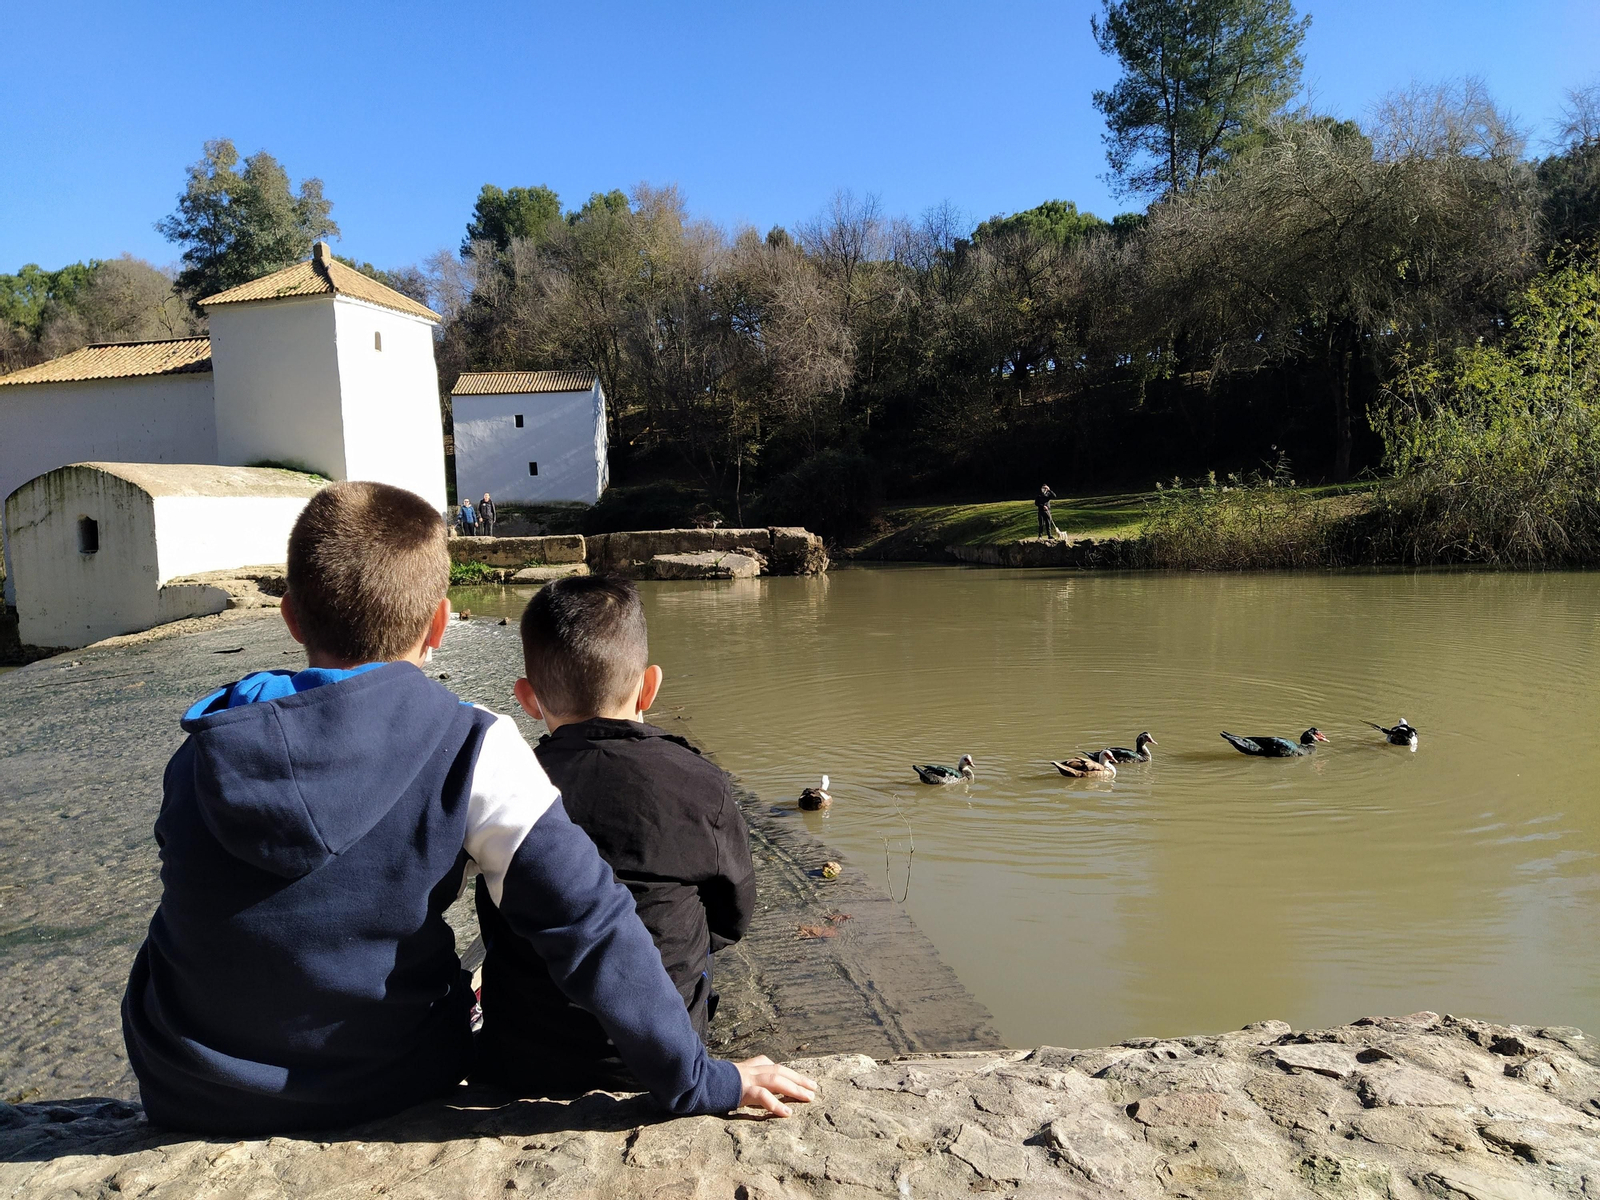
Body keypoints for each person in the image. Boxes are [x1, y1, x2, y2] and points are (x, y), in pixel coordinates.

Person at [120, 481, 815, 1135]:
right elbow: (590, 924)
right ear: (440, 624)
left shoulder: (206, 746)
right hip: (391, 1083)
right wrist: (700, 1081)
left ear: (291, 615)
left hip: (188, 1090)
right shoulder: (469, 744)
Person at [475, 576, 756, 1094]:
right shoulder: (700, 783)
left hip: (524, 1062)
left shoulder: (507, 785)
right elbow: (732, 917)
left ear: (528, 699)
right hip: (657, 1068)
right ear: (649, 685)